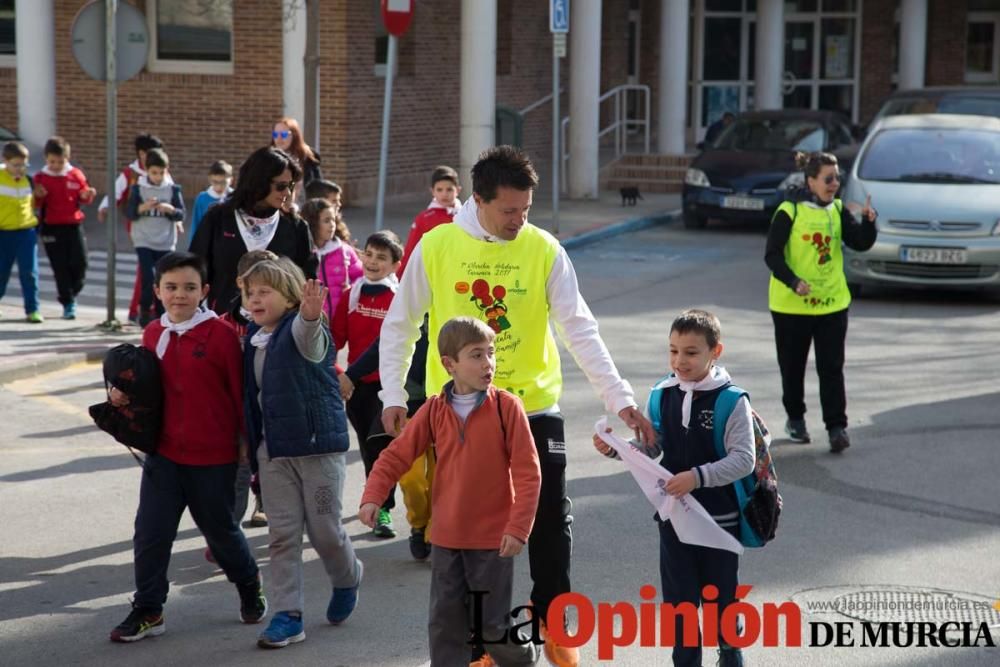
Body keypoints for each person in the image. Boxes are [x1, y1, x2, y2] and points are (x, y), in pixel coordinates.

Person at [378, 145, 655, 666]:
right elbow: (401, 323)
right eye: (509, 211)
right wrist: (393, 394)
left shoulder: (544, 248)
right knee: (475, 533)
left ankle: (553, 621)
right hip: (461, 415)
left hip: (532, 407)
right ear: (477, 200)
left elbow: (579, 327)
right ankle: (490, 639)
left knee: (550, 517)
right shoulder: (436, 246)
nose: (518, 221)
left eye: (526, 210)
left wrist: (620, 399)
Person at [361, 316, 541, 666]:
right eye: (476, 355)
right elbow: (396, 455)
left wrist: (518, 528)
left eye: (491, 353)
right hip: (446, 537)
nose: (488, 363)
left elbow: (528, 474)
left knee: (491, 626)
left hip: (493, 540)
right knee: (445, 623)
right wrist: (373, 495)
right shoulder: (433, 410)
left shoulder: (507, 408)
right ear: (449, 364)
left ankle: (524, 657)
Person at [107, 251, 266, 643]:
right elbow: (148, 390)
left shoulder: (222, 336)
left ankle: (248, 582)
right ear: (158, 290)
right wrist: (123, 395)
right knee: (150, 533)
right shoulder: (152, 333)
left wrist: (247, 445)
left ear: (205, 291)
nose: (180, 295)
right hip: (163, 456)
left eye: (190, 287)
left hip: (213, 457)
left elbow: (240, 394)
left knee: (221, 533)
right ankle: (149, 608)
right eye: (172, 287)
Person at [594, 309, 753, 667]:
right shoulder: (661, 394)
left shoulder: (732, 401)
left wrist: (696, 477)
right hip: (673, 518)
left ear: (716, 351)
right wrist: (619, 449)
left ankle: (730, 650)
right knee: (679, 602)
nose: (680, 361)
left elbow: (743, 459)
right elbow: (654, 447)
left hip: (718, 520)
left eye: (691, 352)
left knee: (719, 597)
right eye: (673, 351)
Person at [241, 258, 362, 649]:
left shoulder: (301, 326)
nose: (255, 299)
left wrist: (311, 317)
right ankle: (287, 615)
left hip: (317, 450)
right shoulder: (252, 337)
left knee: (325, 531)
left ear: (289, 295)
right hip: (273, 453)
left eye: (265, 291)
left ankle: (347, 577)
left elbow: (311, 344)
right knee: (282, 536)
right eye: (250, 293)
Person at [764, 150, 877, 453]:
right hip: (791, 307)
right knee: (792, 367)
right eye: (828, 179)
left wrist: (868, 224)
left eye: (837, 177)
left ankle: (837, 427)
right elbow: (771, 255)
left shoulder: (838, 209)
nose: (834, 184)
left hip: (832, 304)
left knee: (831, 367)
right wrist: (793, 281)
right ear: (811, 181)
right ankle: (796, 419)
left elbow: (859, 243)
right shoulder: (789, 211)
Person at [332, 231, 402, 538]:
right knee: (367, 446)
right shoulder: (351, 295)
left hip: (390, 387)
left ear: (395, 265)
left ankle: (383, 507)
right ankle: (375, 500)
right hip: (357, 387)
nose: (373, 262)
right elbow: (334, 339)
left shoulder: (399, 299)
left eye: (382, 258)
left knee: (382, 446)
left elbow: (400, 344)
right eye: (370, 254)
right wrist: (340, 376)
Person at [190, 146, 316, 316]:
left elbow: (307, 281)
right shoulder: (218, 218)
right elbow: (195, 271)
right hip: (222, 324)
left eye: (290, 186)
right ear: (258, 182)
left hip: (276, 330)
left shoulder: (296, 227)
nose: (287, 192)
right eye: (281, 186)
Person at [98, 133, 164, 325]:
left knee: (156, 269)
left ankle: (151, 308)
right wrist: (104, 207)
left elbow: (171, 196)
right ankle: (137, 310)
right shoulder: (131, 173)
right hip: (138, 227)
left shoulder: (161, 170)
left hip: (160, 228)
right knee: (145, 270)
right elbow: (115, 192)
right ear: (142, 153)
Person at [32, 136, 97, 320]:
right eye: (52, 161)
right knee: (59, 267)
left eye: (60, 161)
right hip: (51, 227)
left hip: (73, 225)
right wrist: (38, 196)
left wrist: (88, 195)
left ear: (67, 159)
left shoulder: (75, 174)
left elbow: (83, 196)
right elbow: (36, 203)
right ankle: (68, 303)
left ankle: (73, 291)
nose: (56, 165)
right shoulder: (41, 177)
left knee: (80, 263)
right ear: (46, 159)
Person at [126, 148, 185, 327]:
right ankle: (144, 310)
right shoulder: (138, 188)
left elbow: (181, 214)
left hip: (166, 241)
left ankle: (161, 314)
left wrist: (170, 210)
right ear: (146, 170)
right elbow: (130, 213)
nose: (158, 176)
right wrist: (142, 208)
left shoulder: (172, 189)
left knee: (164, 279)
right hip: (143, 240)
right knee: (148, 276)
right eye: (154, 172)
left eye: (162, 172)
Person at [0, 141, 42, 323]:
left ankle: (32, 309)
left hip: (26, 232)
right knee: (1, 271)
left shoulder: (29, 180)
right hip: (4, 232)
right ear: (5, 161)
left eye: (23, 165)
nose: (20, 169)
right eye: (16, 165)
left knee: (30, 272)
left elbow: (33, 204)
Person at [301, 197, 362, 322]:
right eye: (326, 220)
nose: (332, 225)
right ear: (312, 222)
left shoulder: (344, 251)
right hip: (313, 321)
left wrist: (352, 289)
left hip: (342, 321)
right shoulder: (303, 254)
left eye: (333, 219)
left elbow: (360, 276)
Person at [398, 165, 462, 276]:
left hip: (461, 270)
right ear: (432, 191)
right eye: (439, 190)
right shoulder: (424, 219)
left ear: (458, 190)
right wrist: (400, 277)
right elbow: (411, 250)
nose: (444, 194)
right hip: (434, 272)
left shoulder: (465, 214)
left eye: (449, 189)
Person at [271, 117, 322, 201]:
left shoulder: (308, 157)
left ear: (294, 135)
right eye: (275, 134)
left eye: (284, 134)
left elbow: (317, 187)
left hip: (305, 207)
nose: (279, 138)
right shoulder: (268, 158)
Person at [190, 160, 233, 242]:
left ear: (231, 180)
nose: (219, 186)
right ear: (210, 179)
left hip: (227, 242)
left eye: (223, 182)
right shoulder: (202, 198)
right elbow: (196, 224)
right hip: (207, 240)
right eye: (215, 182)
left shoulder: (234, 197)